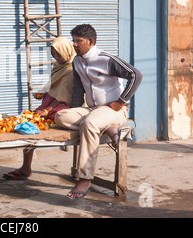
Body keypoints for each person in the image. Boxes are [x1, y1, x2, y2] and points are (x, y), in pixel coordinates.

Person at [55, 24, 143, 199]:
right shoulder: (77, 61)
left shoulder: (107, 59)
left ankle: (85, 178)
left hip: (113, 109)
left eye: (78, 41)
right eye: (73, 41)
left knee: (90, 123)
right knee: (61, 116)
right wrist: (76, 109)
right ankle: (109, 128)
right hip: (92, 110)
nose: (74, 44)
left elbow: (136, 75)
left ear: (91, 41)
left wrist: (121, 101)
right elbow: (79, 90)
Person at [4, 36, 76, 180]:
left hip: (61, 107)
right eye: (54, 54)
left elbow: (63, 95)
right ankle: (26, 168)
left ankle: (26, 168)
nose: (56, 57)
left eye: (58, 54)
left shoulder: (70, 69)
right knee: (29, 126)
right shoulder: (59, 66)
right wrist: (44, 91)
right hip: (50, 103)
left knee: (33, 128)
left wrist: (47, 110)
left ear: (67, 51)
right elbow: (55, 85)